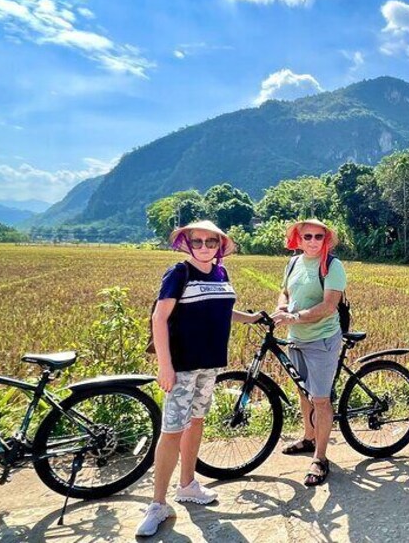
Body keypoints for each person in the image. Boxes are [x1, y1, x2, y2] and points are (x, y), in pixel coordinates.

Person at [137, 221, 262, 537]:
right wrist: (166, 366)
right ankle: (157, 504)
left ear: (219, 246)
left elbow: (222, 310)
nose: (205, 246)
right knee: (172, 430)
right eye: (198, 241)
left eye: (211, 242)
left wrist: (251, 318)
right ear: (187, 244)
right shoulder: (179, 273)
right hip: (182, 366)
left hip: (210, 365)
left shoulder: (221, 274)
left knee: (195, 422)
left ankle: (188, 484)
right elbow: (160, 318)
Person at [272, 219, 347, 486]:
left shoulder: (332, 266)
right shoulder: (293, 263)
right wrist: (282, 309)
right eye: (307, 237)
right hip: (296, 338)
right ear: (298, 239)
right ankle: (308, 437)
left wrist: (295, 317)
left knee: (321, 400)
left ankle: (320, 458)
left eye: (318, 236)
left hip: (322, 339)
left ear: (325, 240)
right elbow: (284, 292)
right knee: (304, 393)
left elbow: (328, 306)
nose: (313, 241)